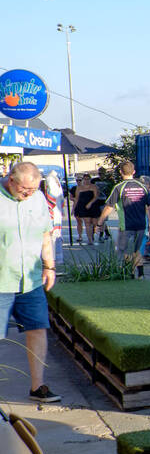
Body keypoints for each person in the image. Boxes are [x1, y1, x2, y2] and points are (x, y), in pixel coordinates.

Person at [0, 162, 60, 402]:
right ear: (10, 180)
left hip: (31, 279)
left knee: (37, 328)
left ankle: (38, 386)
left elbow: (45, 234)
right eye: (25, 189)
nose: (28, 194)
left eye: (33, 189)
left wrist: (49, 266)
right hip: (2, 279)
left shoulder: (37, 200)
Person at [96, 161, 150, 271]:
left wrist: (99, 223)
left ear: (121, 172)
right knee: (137, 250)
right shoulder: (143, 187)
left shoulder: (119, 187)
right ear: (134, 172)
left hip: (126, 225)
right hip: (141, 224)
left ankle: (127, 272)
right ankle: (140, 274)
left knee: (123, 250)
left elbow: (109, 207)